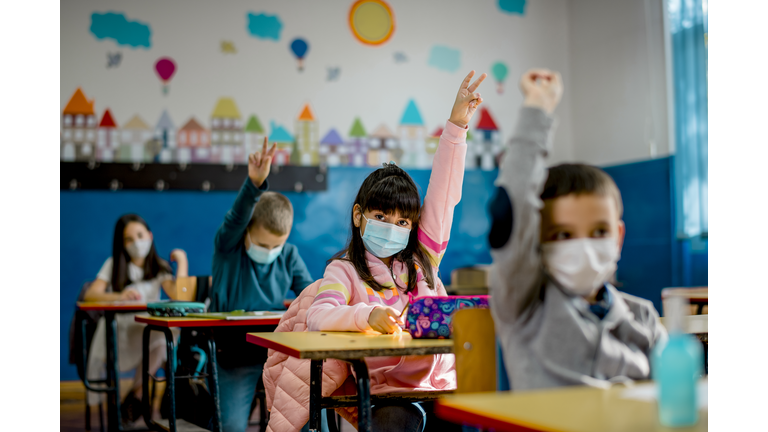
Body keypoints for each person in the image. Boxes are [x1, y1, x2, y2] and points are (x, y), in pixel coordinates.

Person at [271, 70, 486, 432]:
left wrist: (456, 126)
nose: (392, 227)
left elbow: (444, 195)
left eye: (403, 222)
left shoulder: (422, 259)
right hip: (389, 394)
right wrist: (365, 316)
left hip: (442, 385)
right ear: (359, 216)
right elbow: (319, 317)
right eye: (381, 216)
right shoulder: (344, 271)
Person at [488, 68, 667, 391]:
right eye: (563, 235)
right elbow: (512, 207)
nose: (583, 246)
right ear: (535, 241)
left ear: (619, 237)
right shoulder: (525, 305)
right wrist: (538, 109)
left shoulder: (644, 319)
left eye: (599, 231)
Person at [210, 138, 314, 432]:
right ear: (246, 232)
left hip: (277, 354)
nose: (269, 251)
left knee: (301, 418)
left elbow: (308, 293)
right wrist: (254, 184)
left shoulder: (289, 254)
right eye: (261, 243)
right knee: (229, 426)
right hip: (233, 356)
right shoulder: (228, 248)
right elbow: (235, 218)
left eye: (276, 245)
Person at [84, 214, 188, 424]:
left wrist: (182, 261)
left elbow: (180, 295)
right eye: (128, 239)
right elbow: (91, 294)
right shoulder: (113, 264)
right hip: (120, 330)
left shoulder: (158, 267)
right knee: (160, 337)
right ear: (122, 244)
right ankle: (138, 397)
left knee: (164, 337)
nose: (136, 243)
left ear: (149, 236)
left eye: (140, 235)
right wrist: (119, 296)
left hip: (147, 330)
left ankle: (136, 394)